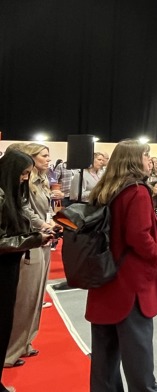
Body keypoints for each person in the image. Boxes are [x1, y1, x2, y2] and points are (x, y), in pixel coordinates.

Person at [85, 140, 157, 392]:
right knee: (138, 353)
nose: (150, 160)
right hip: (130, 282)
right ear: (134, 159)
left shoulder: (104, 188)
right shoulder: (136, 191)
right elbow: (139, 236)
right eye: (146, 155)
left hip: (104, 277)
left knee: (104, 355)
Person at [0, 150, 51, 392]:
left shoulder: (11, 193)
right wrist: (33, 240)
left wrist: (36, 235)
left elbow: (21, 219)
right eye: (22, 173)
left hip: (10, 265)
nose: (24, 178)